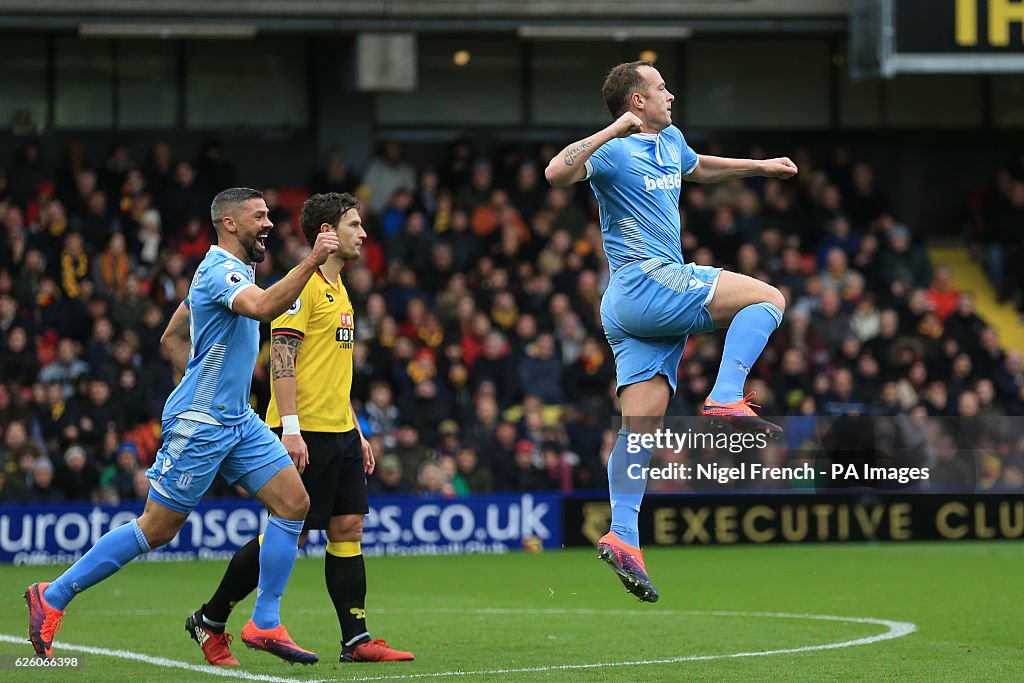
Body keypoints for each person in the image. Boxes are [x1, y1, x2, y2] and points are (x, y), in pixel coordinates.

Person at [26, 187, 339, 663]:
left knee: (294, 502)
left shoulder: (232, 272)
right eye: (260, 216)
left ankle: (266, 622)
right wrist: (312, 259)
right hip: (202, 423)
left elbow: (172, 336)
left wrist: (201, 375)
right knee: (156, 528)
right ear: (230, 223)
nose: (270, 224)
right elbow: (260, 308)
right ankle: (53, 595)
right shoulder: (220, 270)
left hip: (237, 419)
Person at [544, 61, 797, 602]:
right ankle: (727, 394)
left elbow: (698, 167)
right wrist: (613, 130)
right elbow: (555, 174)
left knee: (641, 429)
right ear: (637, 101)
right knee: (769, 299)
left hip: (632, 308)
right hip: (648, 282)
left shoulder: (671, 140)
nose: (671, 95)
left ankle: (623, 535)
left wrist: (760, 167)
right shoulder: (611, 152)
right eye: (661, 89)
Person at [185, 192, 414, 665]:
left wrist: (357, 429)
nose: (363, 234)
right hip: (302, 430)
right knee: (294, 532)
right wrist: (290, 429)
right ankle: (213, 617)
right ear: (327, 232)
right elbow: (282, 363)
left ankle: (356, 638)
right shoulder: (304, 286)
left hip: (339, 430)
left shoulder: (341, 290)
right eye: (354, 225)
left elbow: (332, 371)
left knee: (347, 527)